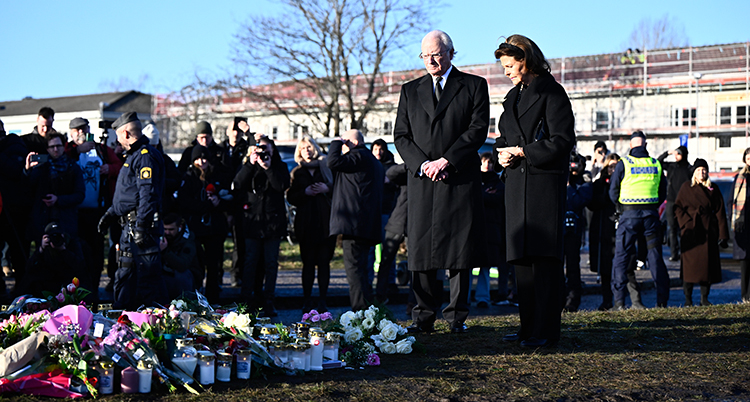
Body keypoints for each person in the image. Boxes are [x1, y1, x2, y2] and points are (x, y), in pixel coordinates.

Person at [394, 30, 489, 334]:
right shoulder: (410, 91)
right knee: (421, 249)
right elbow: (402, 136)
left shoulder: (474, 85)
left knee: (459, 251)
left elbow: (477, 130)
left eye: (436, 53)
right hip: (423, 181)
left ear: (450, 52)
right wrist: (423, 164)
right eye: (425, 55)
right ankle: (422, 316)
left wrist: (446, 160)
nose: (431, 60)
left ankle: (457, 317)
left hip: (458, 178)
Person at [493, 35, 575, 347]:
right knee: (522, 264)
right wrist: (501, 154)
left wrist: (525, 151)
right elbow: (504, 137)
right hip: (516, 186)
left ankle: (546, 331)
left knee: (544, 264)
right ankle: (528, 328)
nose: (506, 72)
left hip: (543, 188)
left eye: (510, 65)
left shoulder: (552, 92)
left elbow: (562, 140)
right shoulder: (513, 98)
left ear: (526, 60)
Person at [97, 112, 168, 310]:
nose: (118, 141)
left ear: (126, 133)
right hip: (129, 228)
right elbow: (129, 194)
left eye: (119, 136)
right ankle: (121, 321)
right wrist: (111, 213)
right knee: (125, 278)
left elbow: (148, 195)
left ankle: (158, 328)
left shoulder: (145, 157)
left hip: (142, 229)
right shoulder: (133, 156)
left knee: (148, 282)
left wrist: (142, 226)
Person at [609, 130, 670, 310]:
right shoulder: (656, 164)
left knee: (621, 258)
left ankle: (619, 302)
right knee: (655, 257)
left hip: (629, 217)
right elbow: (662, 193)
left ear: (630, 145)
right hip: (650, 216)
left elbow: (613, 191)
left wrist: (622, 206)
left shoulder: (624, 164)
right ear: (645, 145)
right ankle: (661, 302)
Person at [232, 135, 290, 317]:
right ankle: (246, 300)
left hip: (273, 222)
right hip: (252, 222)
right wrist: (251, 164)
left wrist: (268, 167)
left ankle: (269, 300)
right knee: (250, 262)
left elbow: (281, 186)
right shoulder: (249, 166)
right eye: (260, 149)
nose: (264, 153)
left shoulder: (279, 166)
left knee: (271, 263)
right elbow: (237, 184)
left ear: (273, 150)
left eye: (267, 149)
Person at [328, 129, 384, 311]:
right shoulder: (372, 161)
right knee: (361, 270)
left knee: (355, 272)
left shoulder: (358, 156)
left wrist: (336, 142)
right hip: (365, 225)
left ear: (353, 143)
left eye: (345, 142)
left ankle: (360, 312)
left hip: (355, 226)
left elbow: (333, 161)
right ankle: (366, 309)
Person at [65, 117, 123, 289]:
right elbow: (60, 160)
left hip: (98, 211)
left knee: (97, 254)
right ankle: (77, 291)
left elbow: (120, 165)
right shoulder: (67, 149)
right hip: (75, 212)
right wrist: (77, 151)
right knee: (78, 254)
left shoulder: (101, 149)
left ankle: (94, 291)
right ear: (71, 133)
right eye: (77, 130)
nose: (81, 132)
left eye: (84, 128)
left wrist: (110, 169)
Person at [287, 136, 335, 312]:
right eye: (303, 148)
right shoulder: (297, 172)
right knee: (307, 264)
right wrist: (305, 192)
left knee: (324, 263)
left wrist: (327, 189)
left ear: (315, 148)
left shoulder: (326, 167)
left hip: (326, 223)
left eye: (309, 147)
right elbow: (291, 196)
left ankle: (323, 299)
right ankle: (307, 299)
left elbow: (338, 189)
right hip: (306, 224)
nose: (306, 150)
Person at [177, 145, 231, 302]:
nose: (201, 162)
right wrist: (207, 205)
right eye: (198, 159)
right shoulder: (188, 178)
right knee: (197, 265)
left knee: (214, 266)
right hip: (196, 229)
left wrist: (218, 202)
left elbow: (229, 200)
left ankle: (213, 298)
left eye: (204, 158)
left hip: (215, 229)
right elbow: (185, 203)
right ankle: (195, 297)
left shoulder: (218, 176)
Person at [674, 158, 729, 306]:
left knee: (707, 267)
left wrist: (723, 235)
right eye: (698, 170)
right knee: (689, 268)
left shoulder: (713, 189)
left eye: (704, 169)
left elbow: (720, 212)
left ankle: (704, 298)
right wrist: (686, 223)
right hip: (691, 232)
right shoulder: (686, 187)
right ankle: (688, 299)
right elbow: (677, 208)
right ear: (694, 172)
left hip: (707, 232)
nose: (701, 172)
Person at [24, 133, 85, 247]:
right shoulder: (41, 167)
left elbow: (79, 195)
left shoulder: (72, 167)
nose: (56, 150)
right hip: (43, 220)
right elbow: (28, 190)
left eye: (59, 146)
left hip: (66, 220)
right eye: (52, 147)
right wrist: (28, 170)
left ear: (64, 146)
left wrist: (58, 200)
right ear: (47, 149)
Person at [473, 153, 510, 309]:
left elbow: (497, 200)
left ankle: (482, 297)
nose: (486, 165)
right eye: (484, 162)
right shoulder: (476, 181)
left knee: (485, 266)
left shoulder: (498, 183)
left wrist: (481, 196)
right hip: (477, 228)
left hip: (491, 229)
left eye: (489, 162)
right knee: (468, 265)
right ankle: (467, 297)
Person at [220, 117, 252, 287]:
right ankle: (217, 276)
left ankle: (236, 274)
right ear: (227, 131)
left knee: (240, 242)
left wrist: (248, 131)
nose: (235, 134)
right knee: (218, 243)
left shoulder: (245, 148)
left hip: (240, 200)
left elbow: (255, 145)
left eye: (239, 131)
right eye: (233, 130)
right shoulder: (220, 150)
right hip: (221, 200)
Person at [0, 119, 31, 286]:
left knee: (18, 253)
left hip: (15, 209)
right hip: (2, 207)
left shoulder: (15, 145)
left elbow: (15, 170)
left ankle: (21, 290)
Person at [588, 153, 620, 310]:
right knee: (605, 268)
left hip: (617, 227)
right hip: (602, 228)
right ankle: (607, 299)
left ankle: (620, 300)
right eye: (610, 166)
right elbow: (592, 203)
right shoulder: (599, 183)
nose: (612, 169)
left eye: (616, 166)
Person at [368, 138, 398, 298]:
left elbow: (397, 186)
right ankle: (369, 281)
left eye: (380, 149)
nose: (378, 152)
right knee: (371, 249)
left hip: (387, 211)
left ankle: (390, 282)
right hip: (372, 212)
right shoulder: (369, 166)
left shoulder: (391, 168)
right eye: (375, 149)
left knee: (389, 250)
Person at [563, 152, 593, 312]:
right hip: (558, 229)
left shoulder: (585, 182)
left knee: (573, 266)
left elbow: (579, 202)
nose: (573, 167)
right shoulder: (560, 179)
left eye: (576, 164)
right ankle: (559, 297)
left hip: (574, 231)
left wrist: (568, 186)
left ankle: (572, 301)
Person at [658, 145, 692, 261]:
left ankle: (685, 253)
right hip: (671, 201)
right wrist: (668, 152)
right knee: (671, 228)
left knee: (683, 229)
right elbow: (658, 162)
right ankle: (674, 254)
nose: (676, 156)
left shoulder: (689, 168)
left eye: (679, 154)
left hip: (684, 202)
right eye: (676, 154)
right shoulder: (672, 167)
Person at [160, 213, 201, 300]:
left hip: (187, 276)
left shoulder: (188, 241)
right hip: (167, 273)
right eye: (165, 229)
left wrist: (165, 251)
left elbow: (182, 265)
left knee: (181, 276)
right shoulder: (162, 238)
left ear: (180, 228)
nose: (167, 232)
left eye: (171, 229)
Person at [731, 148, 750, 303]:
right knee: (745, 262)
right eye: (748, 157)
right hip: (743, 223)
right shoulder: (740, 177)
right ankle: (745, 295)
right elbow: (732, 200)